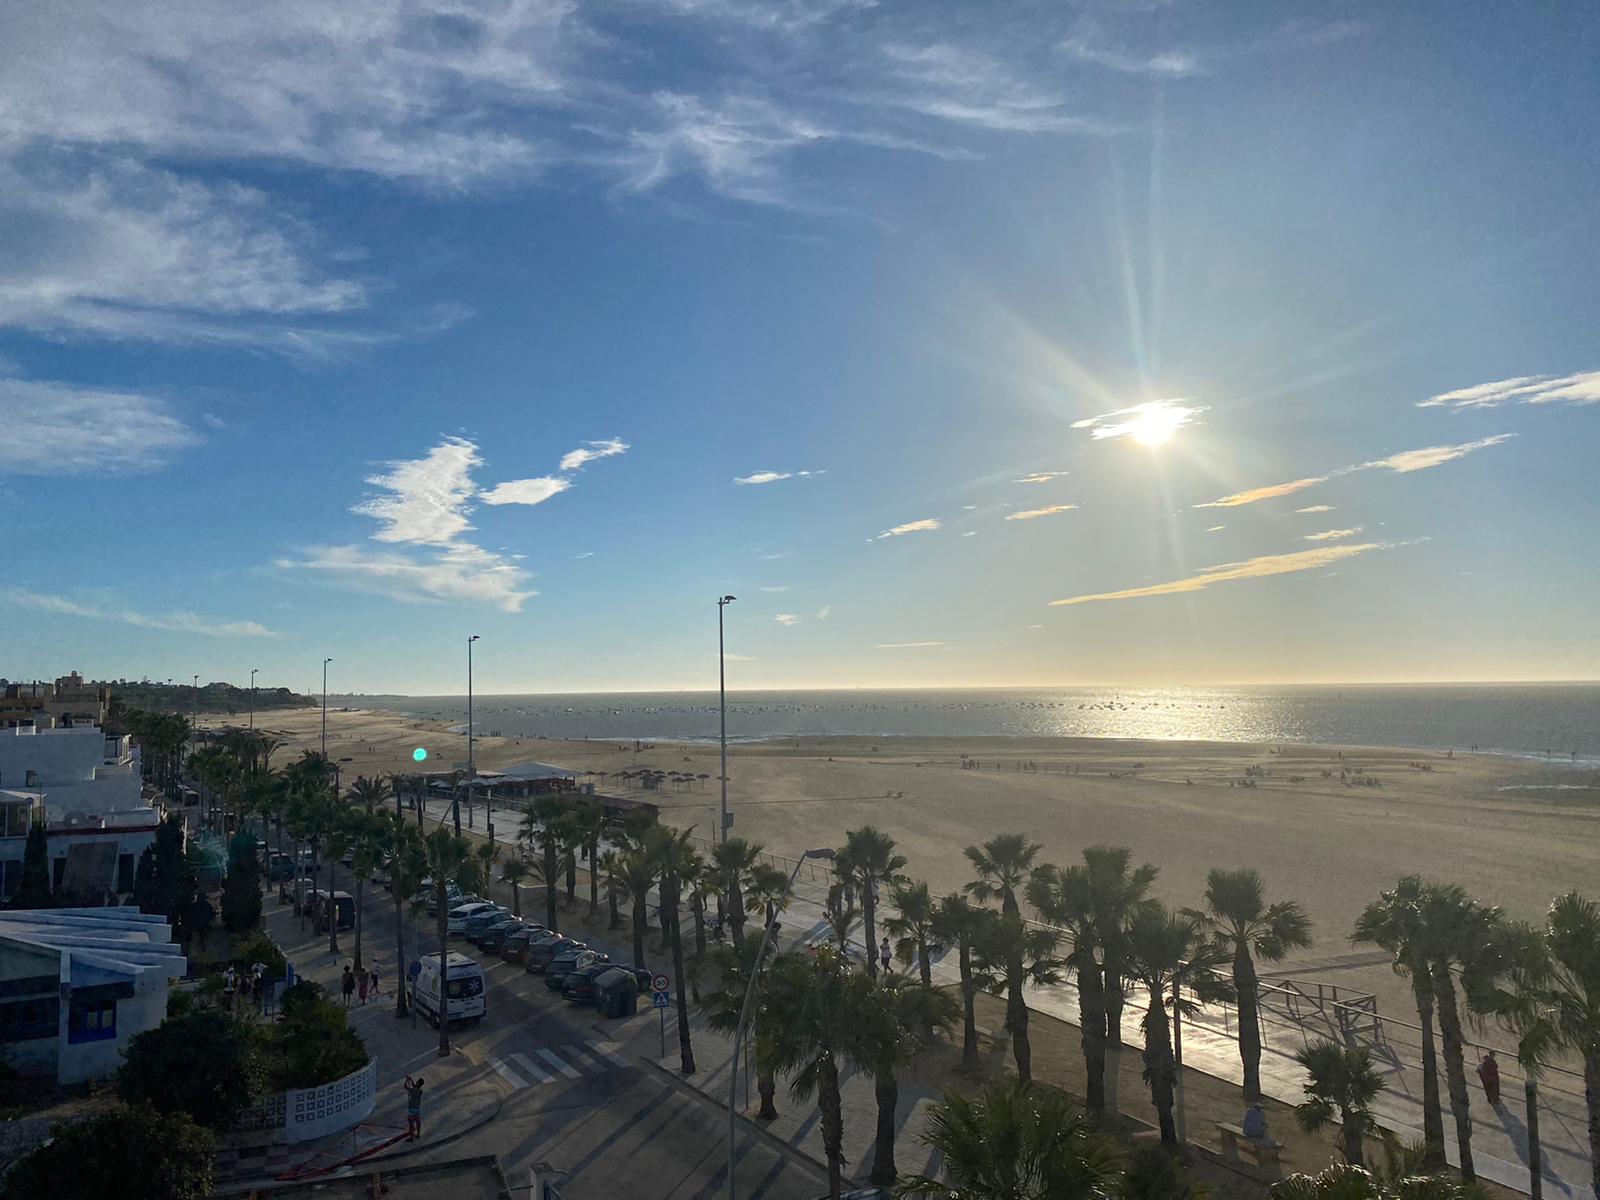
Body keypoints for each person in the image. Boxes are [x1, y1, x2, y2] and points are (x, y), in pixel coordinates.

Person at [404, 1074, 425, 1141]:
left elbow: (405, 1087)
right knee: (418, 1122)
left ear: (418, 1083)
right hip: (417, 1109)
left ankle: (411, 1137)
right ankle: (418, 1134)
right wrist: (411, 1079)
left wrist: (407, 1080)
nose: (416, 1082)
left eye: (417, 1081)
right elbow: (415, 1086)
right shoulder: (420, 1091)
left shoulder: (413, 1090)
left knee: (411, 1124)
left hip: (411, 1109)